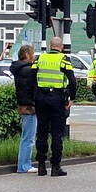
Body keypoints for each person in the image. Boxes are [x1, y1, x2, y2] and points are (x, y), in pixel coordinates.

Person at [34, 36, 76, 177]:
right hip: (57, 99)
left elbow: (32, 75)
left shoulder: (40, 58)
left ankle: (41, 166)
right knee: (57, 133)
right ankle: (55, 166)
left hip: (41, 98)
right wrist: (72, 98)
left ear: (51, 46)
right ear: (61, 46)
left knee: (42, 132)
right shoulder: (63, 60)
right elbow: (72, 80)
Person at [10, 44, 38, 173]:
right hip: (30, 107)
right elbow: (34, 88)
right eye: (32, 53)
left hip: (23, 105)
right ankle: (24, 165)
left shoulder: (18, 69)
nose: (33, 56)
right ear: (27, 54)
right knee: (28, 137)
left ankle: (23, 164)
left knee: (26, 136)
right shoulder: (28, 70)